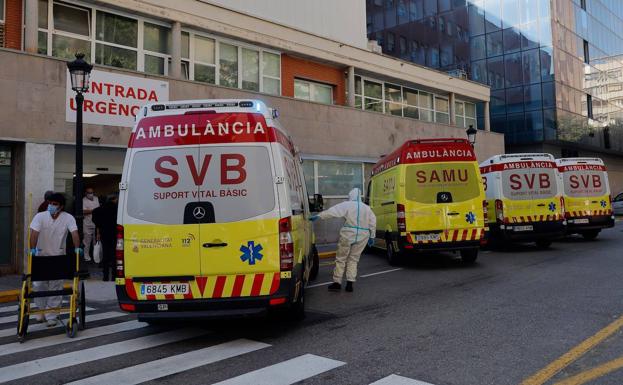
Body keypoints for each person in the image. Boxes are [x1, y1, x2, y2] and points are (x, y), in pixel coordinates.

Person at [29, 193, 82, 327]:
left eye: (55, 204)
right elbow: (34, 233)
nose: (51, 206)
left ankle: (52, 315)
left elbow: (74, 233)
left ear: (61, 206)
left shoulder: (68, 218)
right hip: (40, 257)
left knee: (56, 286)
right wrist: (32, 249)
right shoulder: (40, 216)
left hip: (58, 257)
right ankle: (41, 310)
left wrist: (77, 247)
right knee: (38, 285)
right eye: (50, 203)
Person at [311, 187, 376, 292]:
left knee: (341, 258)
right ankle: (350, 284)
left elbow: (333, 211)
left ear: (351, 196)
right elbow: (373, 222)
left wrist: (319, 216)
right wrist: (372, 236)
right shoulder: (367, 208)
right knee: (354, 259)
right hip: (363, 235)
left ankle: (337, 283)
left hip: (348, 234)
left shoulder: (347, 205)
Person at [92, 193, 118, 281]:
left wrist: (98, 232)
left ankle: (105, 276)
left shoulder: (99, 210)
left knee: (105, 255)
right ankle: (114, 276)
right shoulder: (116, 209)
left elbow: (95, 217)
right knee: (115, 255)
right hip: (115, 234)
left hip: (104, 234)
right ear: (114, 199)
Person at [82, 187, 100, 262]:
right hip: (87, 223)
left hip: (96, 223)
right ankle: (86, 256)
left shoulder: (96, 198)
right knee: (87, 241)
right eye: (89, 193)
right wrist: (94, 211)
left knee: (95, 241)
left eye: (92, 192)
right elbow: (83, 211)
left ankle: (95, 257)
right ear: (86, 193)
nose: (91, 194)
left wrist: (92, 211)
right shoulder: (83, 200)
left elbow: (99, 209)